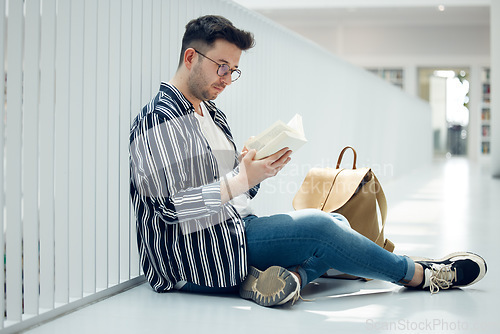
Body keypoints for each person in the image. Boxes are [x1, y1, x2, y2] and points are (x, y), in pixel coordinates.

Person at [129, 15, 487, 307]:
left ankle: (291, 280)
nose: (227, 79)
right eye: (221, 66)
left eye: (233, 70)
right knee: (321, 229)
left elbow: (234, 195)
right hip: (195, 257)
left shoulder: (212, 115)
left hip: (233, 231)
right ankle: (421, 275)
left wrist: (254, 174)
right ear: (191, 57)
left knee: (333, 220)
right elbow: (174, 209)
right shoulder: (159, 120)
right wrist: (241, 179)